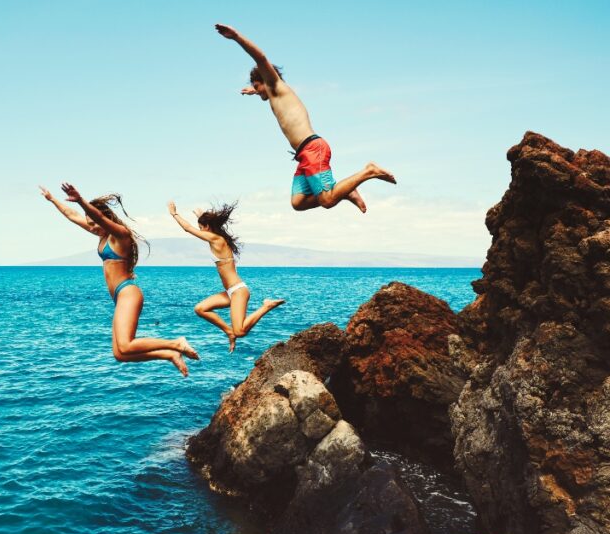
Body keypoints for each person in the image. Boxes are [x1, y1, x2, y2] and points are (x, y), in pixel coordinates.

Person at [215, 23, 396, 213]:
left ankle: (369, 171)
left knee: (327, 200)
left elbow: (260, 58)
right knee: (298, 202)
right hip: (303, 155)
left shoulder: (276, 86)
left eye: (256, 85)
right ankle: (344, 191)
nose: (257, 90)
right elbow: (263, 91)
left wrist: (236, 37)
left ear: (265, 81)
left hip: (313, 149)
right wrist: (254, 91)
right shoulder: (274, 94)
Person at [40, 183, 199, 376]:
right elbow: (73, 216)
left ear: (105, 219)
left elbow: (98, 217)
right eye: (89, 223)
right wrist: (52, 200)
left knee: (126, 344)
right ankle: (169, 354)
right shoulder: (102, 234)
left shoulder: (121, 235)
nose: (91, 226)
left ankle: (176, 343)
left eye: (94, 222)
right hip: (119, 297)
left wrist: (81, 200)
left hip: (128, 292)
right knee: (120, 353)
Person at [168, 201, 284, 353]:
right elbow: (205, 227)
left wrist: (174, 214)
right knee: (200, 309)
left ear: (207, 227)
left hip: (238, 291)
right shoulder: (218, 237)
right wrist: (202, 216)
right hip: (230, 292)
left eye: (201, 228)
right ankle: (228, 332)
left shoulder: (217, 240)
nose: (201, 231)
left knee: (240, 332)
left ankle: (267, 306)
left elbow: (187, 228)